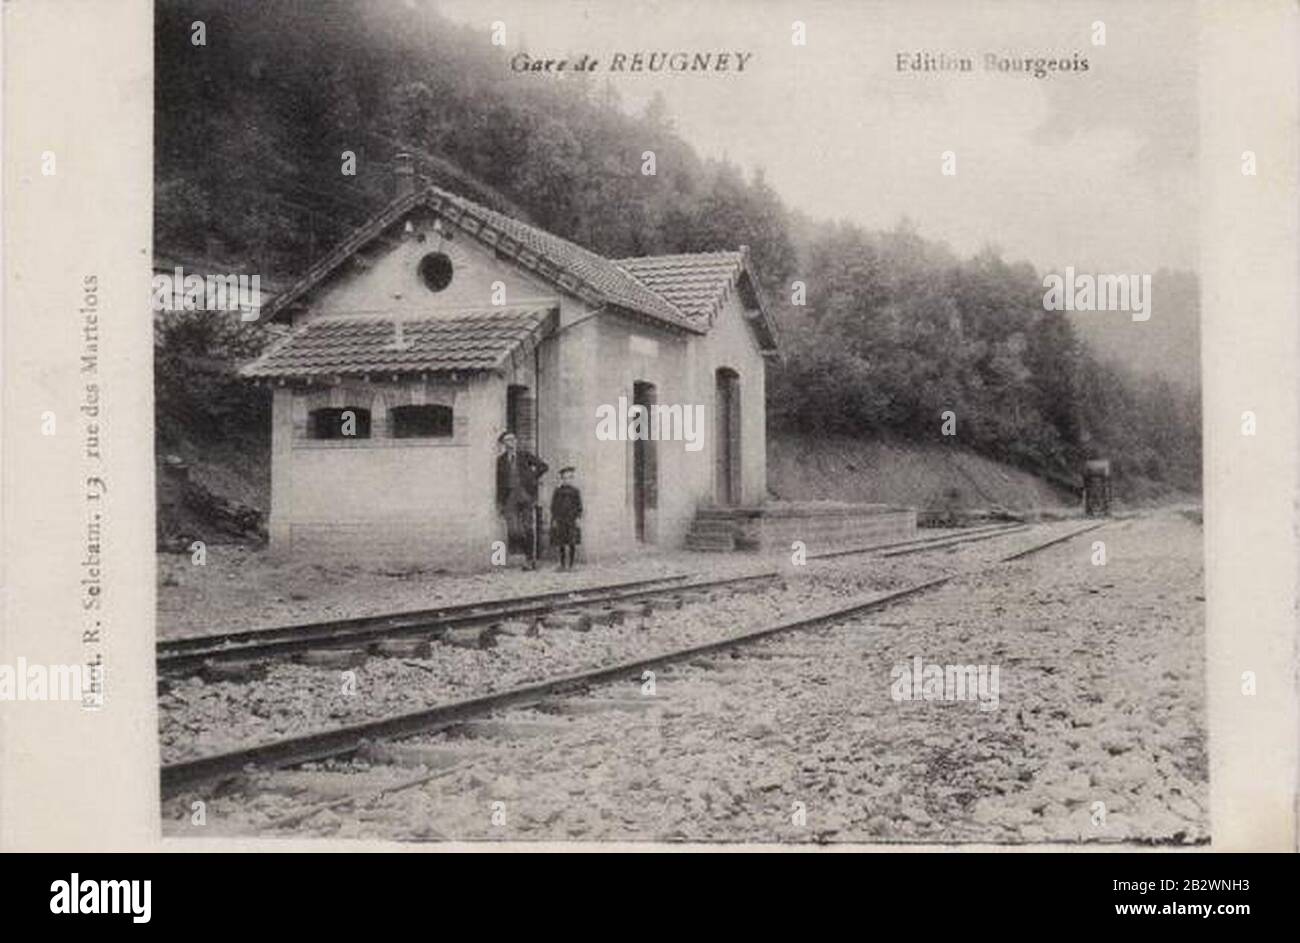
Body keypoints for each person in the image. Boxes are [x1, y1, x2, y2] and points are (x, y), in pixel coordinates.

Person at [495, 431, 548, 570]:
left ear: (516, 441)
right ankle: (522, 555)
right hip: (510, 497)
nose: (511, 442)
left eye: (513, 439)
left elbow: (543, 466)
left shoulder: (524, 455)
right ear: (503, 443)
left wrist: (531, 477)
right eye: (507, 440)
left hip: (525, 495)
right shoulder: (500, 460)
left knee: (528, 528)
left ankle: (530, 560)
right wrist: (500, 502)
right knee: (514, 530)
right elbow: (499, 482)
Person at [549, 466, 583, 571]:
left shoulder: (575, 491)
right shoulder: (558, 491)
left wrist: (578, 518)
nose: (567, 480)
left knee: (572, 542)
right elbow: (553, 506)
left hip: (571, 519)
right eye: (564, 478)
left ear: (572, 479)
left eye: (569, 478)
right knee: (561, 542)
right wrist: (554, 519)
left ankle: (571, 564)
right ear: (562, 479)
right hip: (561, 519)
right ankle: (562, 564)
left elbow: (579, 506)